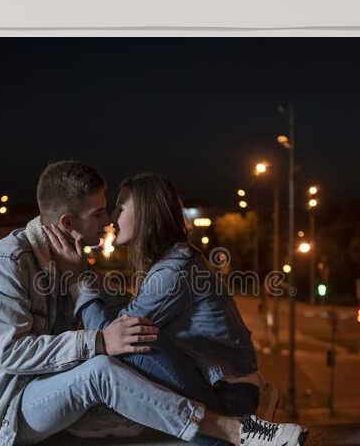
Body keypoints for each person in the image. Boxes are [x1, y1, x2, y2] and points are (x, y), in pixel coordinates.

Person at [0, 160, 302, 446]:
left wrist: (82, 282)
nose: (107, 220)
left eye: (113, 209)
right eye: (99, 212)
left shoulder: (64, 261)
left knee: (126, 359)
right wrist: (99, 338)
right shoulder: (7, 264)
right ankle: (238, 431)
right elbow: (13, 353)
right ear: (68, 222)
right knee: (102, 369)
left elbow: (115, 316)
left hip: (38, 391)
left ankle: (235, 415)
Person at [79, 171, 265, 423]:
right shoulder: (176, 261)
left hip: (230, 401)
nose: (112, 217)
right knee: (134, 331)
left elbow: (109, 337)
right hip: (229, 389)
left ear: (147, 213)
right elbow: (130, 309)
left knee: (129, 344)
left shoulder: (172, 273)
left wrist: (79, 281)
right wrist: (98, 285)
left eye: (120, 208)